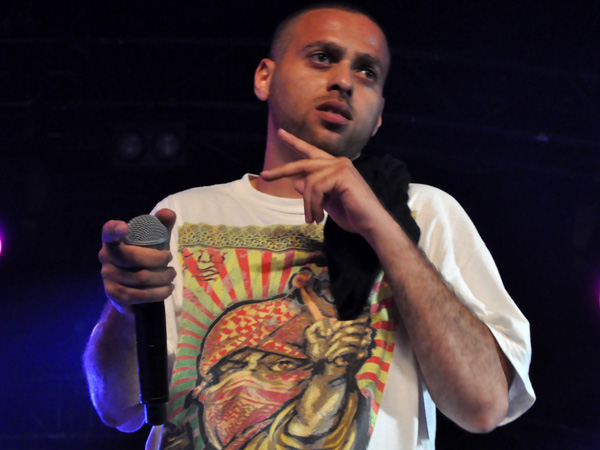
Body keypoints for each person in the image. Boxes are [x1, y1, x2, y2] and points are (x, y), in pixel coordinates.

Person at [84, 4, 535, 449]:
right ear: (265, 77)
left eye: (367, 72)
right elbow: (117, 408)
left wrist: (381, 227)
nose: (344, 81)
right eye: (322, 57)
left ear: (379, 114)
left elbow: (484, 407)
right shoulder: (184, 213)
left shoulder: (425, 212)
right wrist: (125, 311)